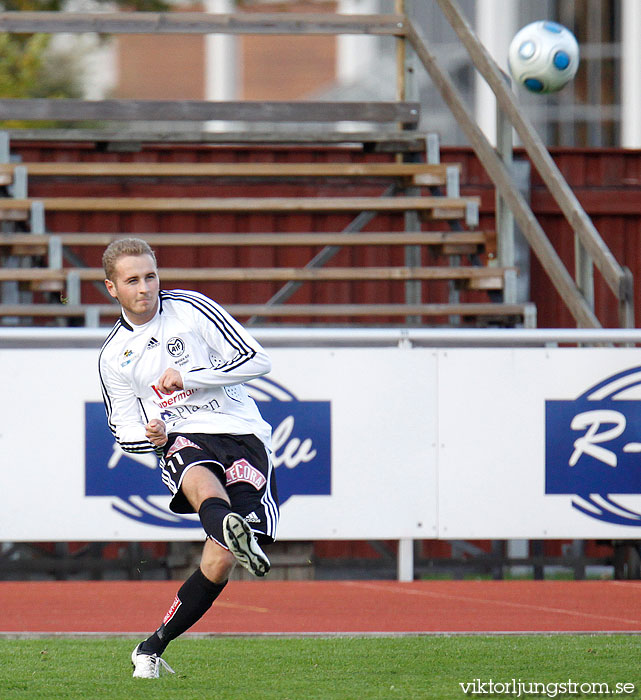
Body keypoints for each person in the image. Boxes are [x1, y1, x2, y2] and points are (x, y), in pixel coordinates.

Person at [98, 237, 279, 678]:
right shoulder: (113, 358)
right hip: (180, 436)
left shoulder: (192, 308)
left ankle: (151, 646)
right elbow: (121, 426)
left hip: (241, 431)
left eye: (151, 276)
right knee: (199, 478)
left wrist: (190, 377)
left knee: (218, 563)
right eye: (133, 280)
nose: (145, 288)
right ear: (111, 288)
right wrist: (151, 436)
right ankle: (235, 530)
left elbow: (258, 361)